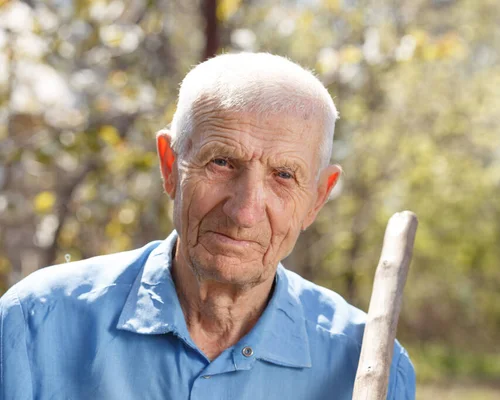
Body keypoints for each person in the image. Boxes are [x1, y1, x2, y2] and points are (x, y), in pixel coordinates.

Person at [0, 52, 415, 400]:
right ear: (169, 165)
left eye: (284, 176)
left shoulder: (372, 365)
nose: (245, 211)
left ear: (318, 199)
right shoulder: (33, 325)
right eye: (221, 162)